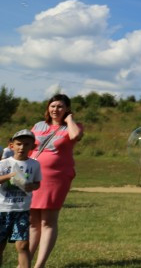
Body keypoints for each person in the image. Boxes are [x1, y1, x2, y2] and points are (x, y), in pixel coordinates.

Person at [29, 93, 83, 268]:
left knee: (48, 221)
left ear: (67, 109)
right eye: (53, 106)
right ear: (48, 108)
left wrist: (69, 120)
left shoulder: (72, 127)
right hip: (32, 176)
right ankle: (25, 262)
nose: (55, 109)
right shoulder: (38, 126)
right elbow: (27, 146)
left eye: (60, 106)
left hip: (56, 178)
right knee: (33, 222)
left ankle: (40, 264)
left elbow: (75, 136)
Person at [0, 130, 41, 268]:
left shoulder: (34, 164)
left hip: (22, 210)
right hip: (3, 210)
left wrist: (32, 186)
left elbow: (37, 183)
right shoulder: (4, 163)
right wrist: (10, 176)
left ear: (32, 147)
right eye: (18, 144)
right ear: (11, 146)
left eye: (26, 144)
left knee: (23, 246)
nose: (22, 147)